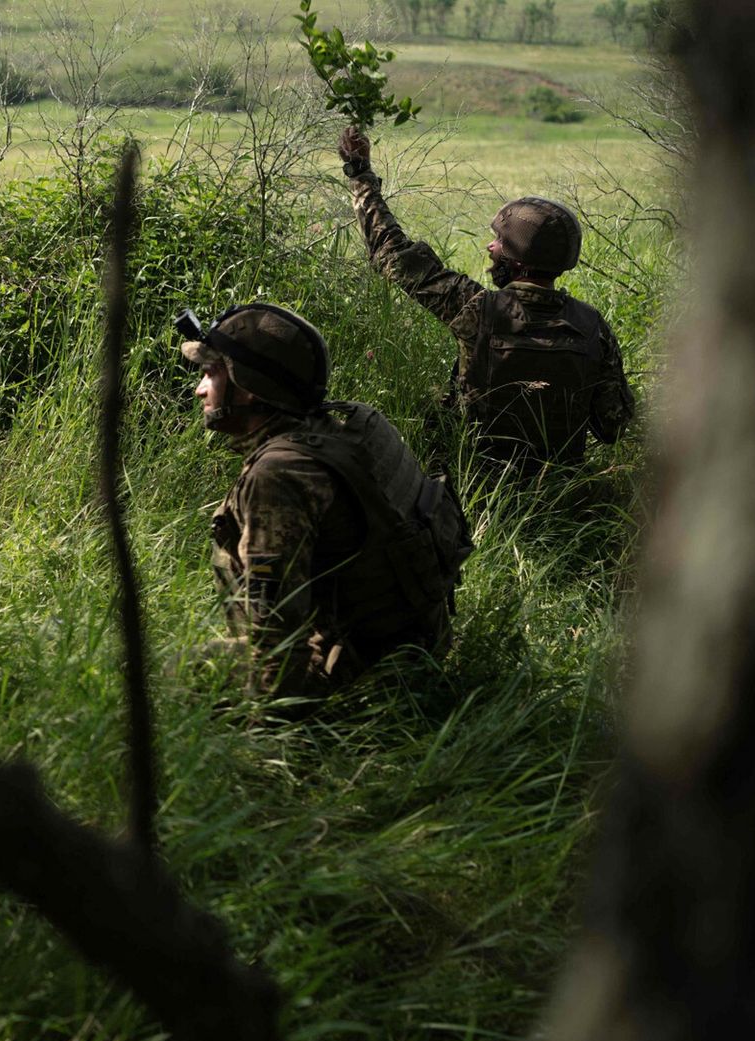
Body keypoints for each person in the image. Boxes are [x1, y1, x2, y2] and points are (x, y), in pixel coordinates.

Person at [181, 302, 470, 700]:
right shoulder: (350, 428)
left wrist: (267, 736)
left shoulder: (279, 477)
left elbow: (276, 639)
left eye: (211, 373)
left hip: (363, 684)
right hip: (415, 653)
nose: (199, 388)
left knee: (167, 674)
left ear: (247, 388)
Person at [338, 125, 635, 475]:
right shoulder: (591, 326)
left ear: (517, 261)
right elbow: (610, 426)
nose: (490, 247)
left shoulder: (477, 309)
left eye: (499, 242)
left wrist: (360, 173)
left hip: (474, 481)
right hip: (560, 493)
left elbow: (391, 252)